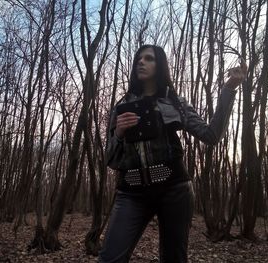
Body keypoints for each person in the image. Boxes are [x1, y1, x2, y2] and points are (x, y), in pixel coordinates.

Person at [99, 44, 247, 263]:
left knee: (173, 259)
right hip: (131, 192)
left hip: (174, 190)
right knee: (110, 258)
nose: (141, 62)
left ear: (160, 66)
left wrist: (229, 89)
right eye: (139, 58)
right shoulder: (121, 107)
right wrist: (119, 133)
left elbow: (210, 135)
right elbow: (110, 160)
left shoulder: (175, 102)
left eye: (149, 58)